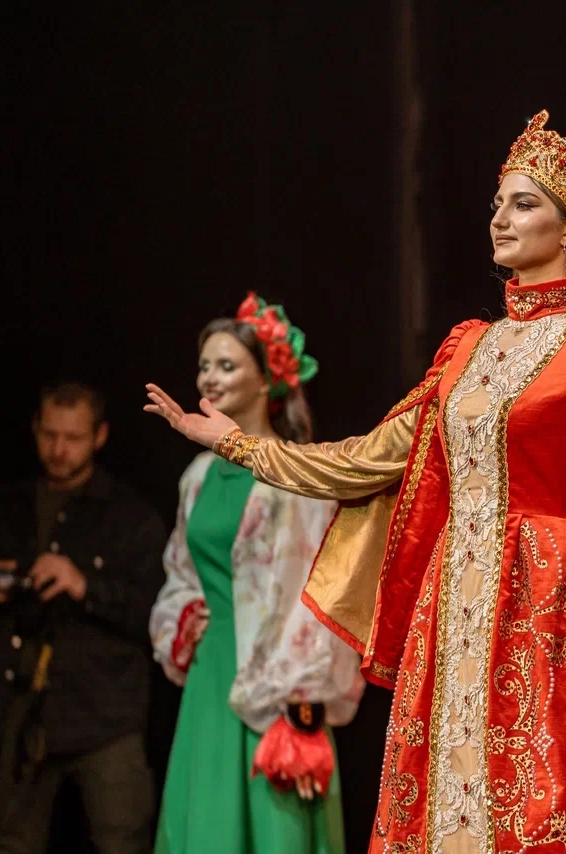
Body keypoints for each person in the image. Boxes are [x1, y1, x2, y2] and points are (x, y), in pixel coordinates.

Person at [145, 109, 566, 854]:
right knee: (447, 801)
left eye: (522, 204)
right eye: (498, 202)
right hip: (454, 599)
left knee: (541, 802)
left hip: (546, 601)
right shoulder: (467, 346)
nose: (499, 217)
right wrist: (236, 443)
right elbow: (363, 460)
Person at [149, 294, 363, 854]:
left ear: (267, 379)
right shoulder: (197, 476)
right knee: (208, 822)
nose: (210, 378)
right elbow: (181, 570)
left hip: (277, 683)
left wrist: (303, 707)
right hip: (213, 670)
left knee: (273, 830)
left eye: (227, 365)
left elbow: (320, 593)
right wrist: (187, 617)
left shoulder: (294, 474)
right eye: (205, 366)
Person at [0, 382, 164, 854]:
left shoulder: (131, 517)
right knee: (8, 843)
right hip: (11, 710)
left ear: (99, 436)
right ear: (35, 429)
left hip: (103, 712)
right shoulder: (2, 507)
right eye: (49, 435)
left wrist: (84, 585)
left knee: (122, 840)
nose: (59, 449)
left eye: (73, 437)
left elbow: (158, 613)